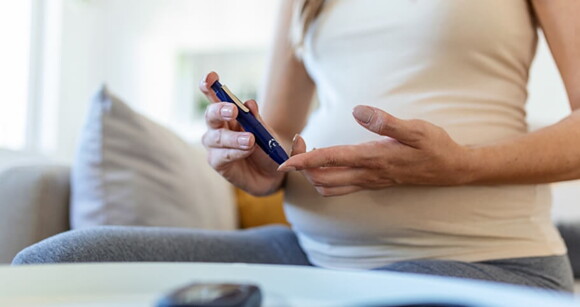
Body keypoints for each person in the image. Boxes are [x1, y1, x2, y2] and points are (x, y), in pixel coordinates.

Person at [13, 0, 579, 292]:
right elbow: (278, 131)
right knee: (53, 265)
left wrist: (459, 166)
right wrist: (252, 163)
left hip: (491, 261)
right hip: (315, 255)